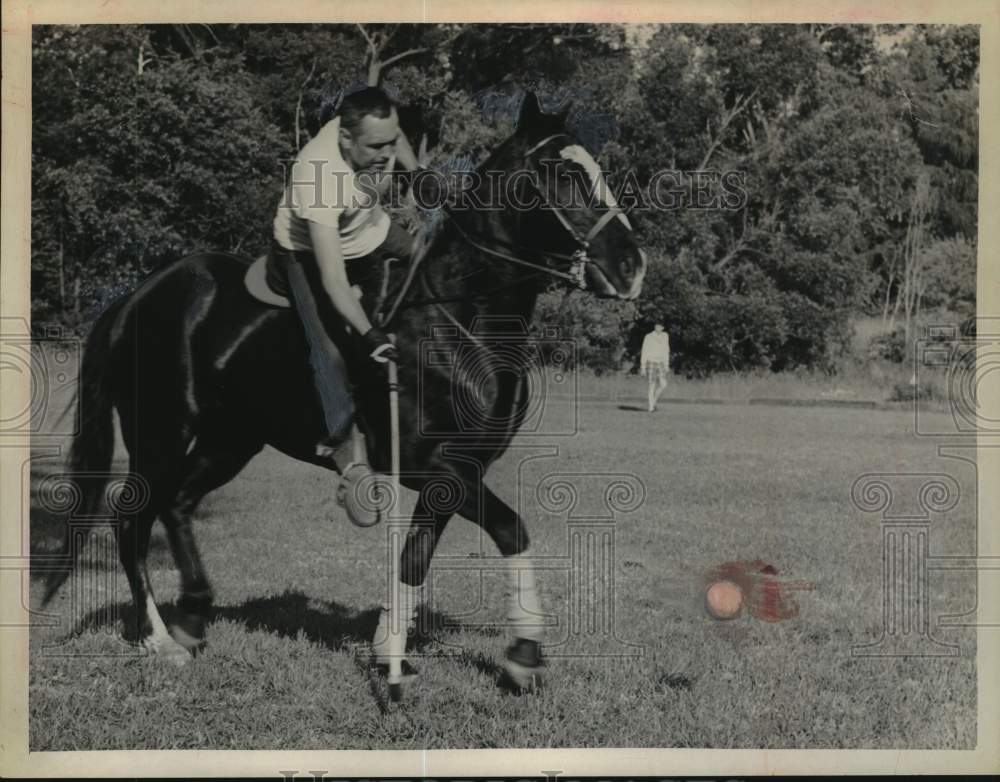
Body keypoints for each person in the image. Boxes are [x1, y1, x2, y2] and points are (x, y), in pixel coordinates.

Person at [266, 87, 422, 461]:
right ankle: (340, 442)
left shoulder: (375, 136)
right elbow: (335, 279)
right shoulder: (318, 176)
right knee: (331, 350)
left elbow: (395, 138)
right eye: (375, 147)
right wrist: (371, 334)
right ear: (345, 138)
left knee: (432, 270)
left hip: (371, 231)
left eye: (391, 142)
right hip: (304, 253)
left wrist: (417, 174)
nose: (386, 155)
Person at [640, 322, 671, 412]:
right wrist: (643, 366)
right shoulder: (648, 337)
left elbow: (666, 350)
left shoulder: (665, 336)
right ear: (655, 326)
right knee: (652, 385)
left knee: (663, 384)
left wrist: (666, 364)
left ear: (663, 327)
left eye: (661, 326)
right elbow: (644, 351)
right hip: (651, 362)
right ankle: (650, 407)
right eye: (657, 326)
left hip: (661, 362)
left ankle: (653, 402)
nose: (659, 327)